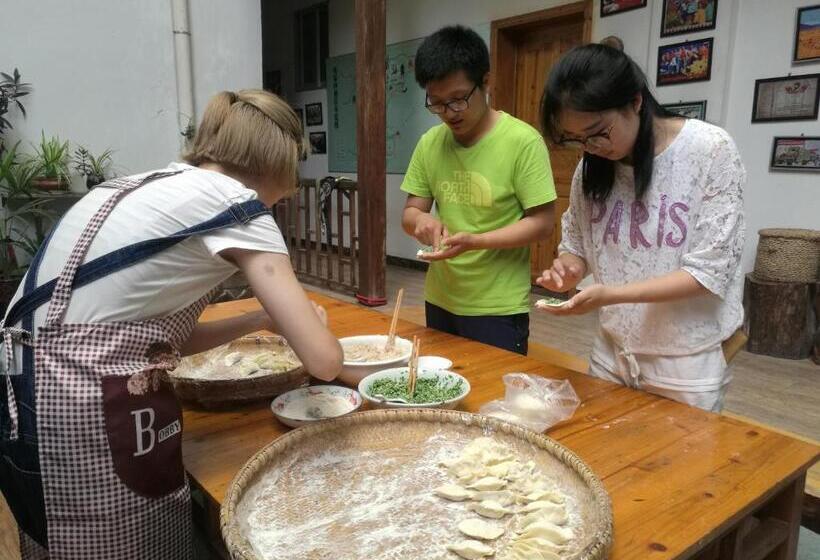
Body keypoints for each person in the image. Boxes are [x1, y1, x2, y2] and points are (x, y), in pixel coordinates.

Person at [0, 89, 343, 559]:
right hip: (77, 399)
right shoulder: (240, 207)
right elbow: (324, 362)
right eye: (288, 183)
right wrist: (316, 332)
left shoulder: (141, 186)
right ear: (280, 160)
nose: (284, 196)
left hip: (20, 387)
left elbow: (157, 338)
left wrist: (262, 318)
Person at [535, 44, 745, 412]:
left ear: (634, 102)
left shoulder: (709, 150)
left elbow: (706, 274)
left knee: (679, 467)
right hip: (612, 351)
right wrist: (569, 268)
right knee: (605, 462)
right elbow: (578, 245)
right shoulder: (592, 167)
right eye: (576, 139)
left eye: (598, 132)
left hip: (684, 363)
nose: (590, 147)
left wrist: (610, 293)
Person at [400, 25, 557, 355]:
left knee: (492, 404)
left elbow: (542, 224)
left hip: (497, 306)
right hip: (441, 297)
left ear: (486, 81)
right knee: (441, 394)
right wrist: (422, 223)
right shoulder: (430, 144)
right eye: (437, 103)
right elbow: (411, 213)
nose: (448, 113)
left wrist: (476, 241)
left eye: (458, 100)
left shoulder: (523, 142)